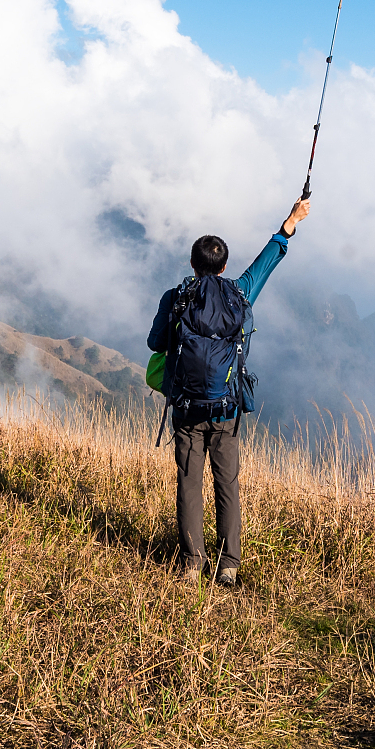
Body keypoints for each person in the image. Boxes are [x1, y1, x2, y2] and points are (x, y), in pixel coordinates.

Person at [147, 197, 311, 586]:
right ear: (222, 267)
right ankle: (228, 565)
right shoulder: (239, 292)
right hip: (226, 410)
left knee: (189, 484)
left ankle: (191, 564)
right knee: (227, 484)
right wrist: (290, 222)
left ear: (192, 264)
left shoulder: (176, 298)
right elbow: (265, 263)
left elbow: (156, 344)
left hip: (187, 409)